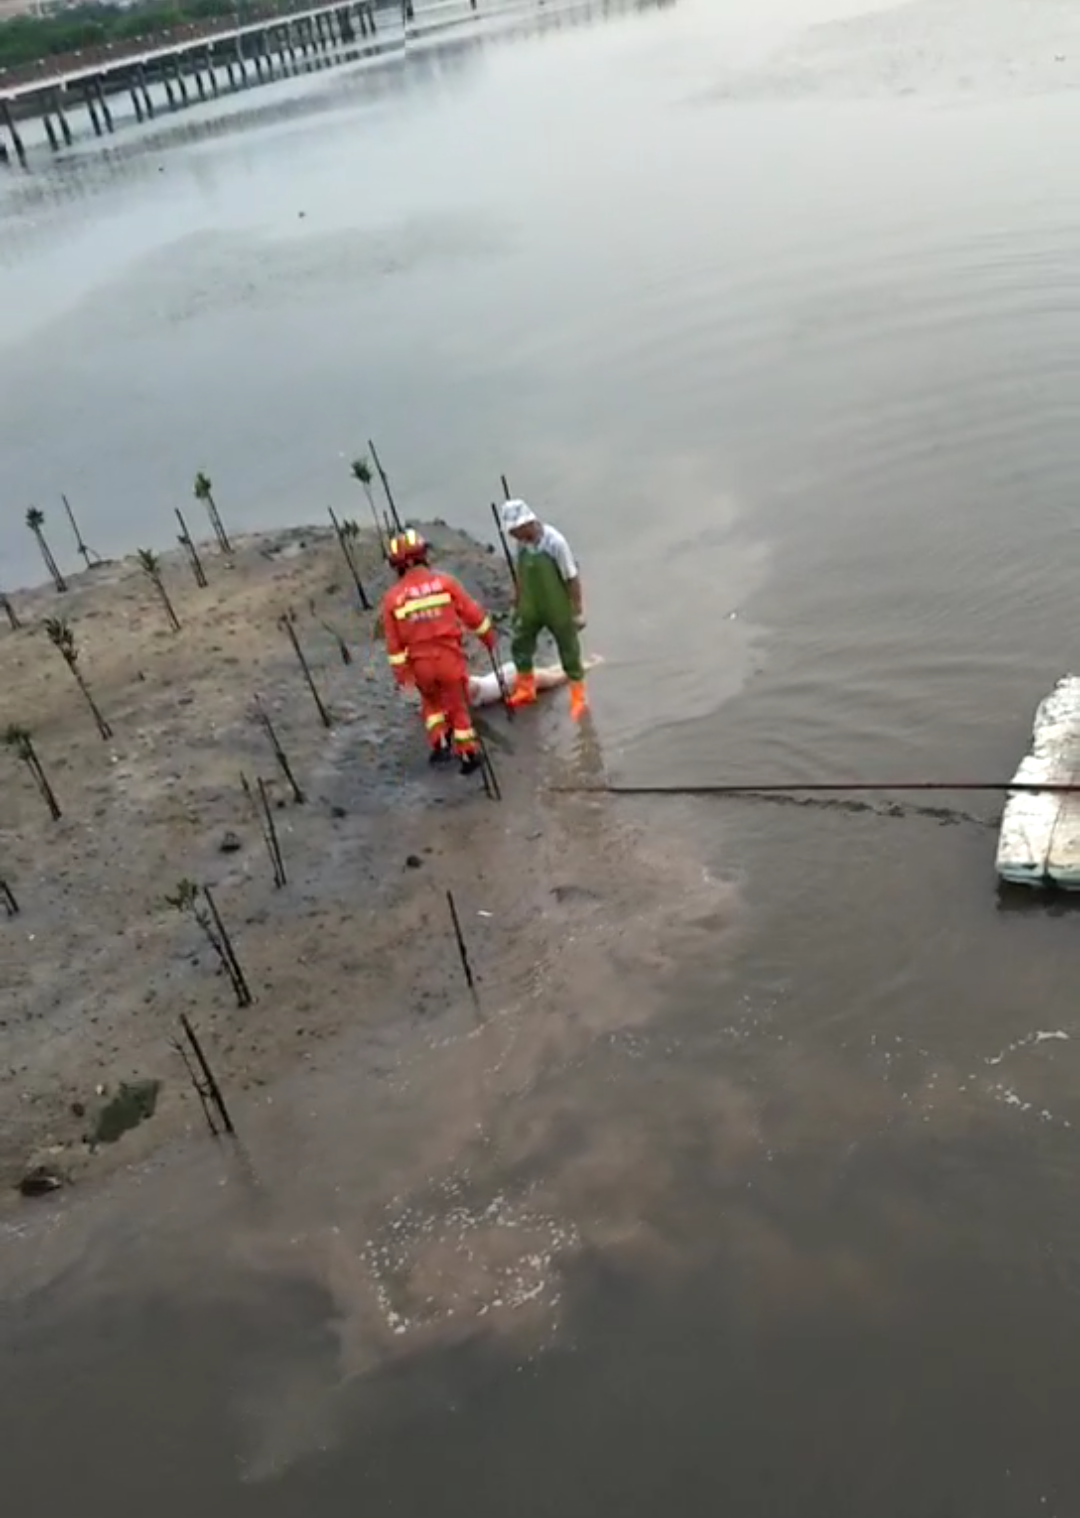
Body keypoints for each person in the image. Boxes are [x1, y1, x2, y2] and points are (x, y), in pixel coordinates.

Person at [381, 528, 496, 775]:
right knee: (458, 707)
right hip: (449, 660)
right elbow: (472, 615)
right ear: (422, 555)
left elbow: (393, 645)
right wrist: (488, 637)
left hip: (420, 666)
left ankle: (440, 743)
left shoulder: (392, 599)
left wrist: (403, 675)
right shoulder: (445, 583)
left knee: (430, 702)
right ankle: (468, 755)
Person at [501, 499, 589, 721]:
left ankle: (578, 696)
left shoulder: (555, 542)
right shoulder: (522, 544)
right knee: (520, 642)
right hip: (531, 605)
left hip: (557, 606)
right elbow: (520, 572)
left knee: (568, 648)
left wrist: (578, 610)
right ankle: (526, 687)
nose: (513, 536)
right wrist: (517, 600)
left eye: (515, 531)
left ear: (527, 524)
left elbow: (571, 577)